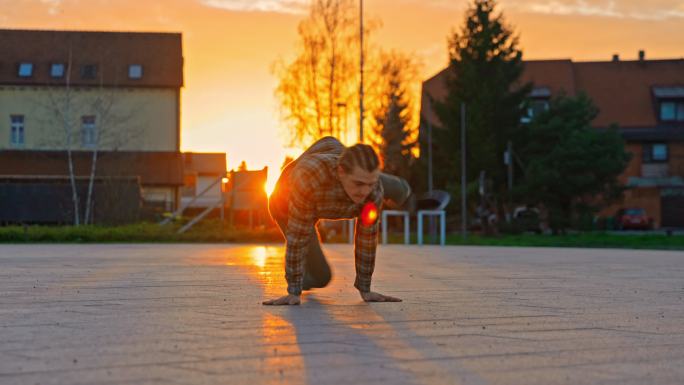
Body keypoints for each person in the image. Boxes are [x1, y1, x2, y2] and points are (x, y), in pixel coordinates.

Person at [264, 136, 411, 306]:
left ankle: (394, 184)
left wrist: (365, 289)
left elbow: (367, 239)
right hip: (286, 203)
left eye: (369, 184)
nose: (364, 192)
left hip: (333, 150)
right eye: (359, 184)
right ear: (341, 172)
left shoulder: (373, 192)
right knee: (321, 277)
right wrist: (294, 290)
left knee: (391, 188)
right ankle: (307, 277)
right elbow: (298, 236)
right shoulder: (307, 178)